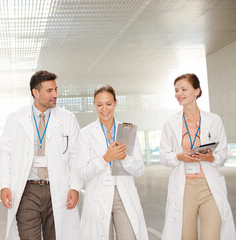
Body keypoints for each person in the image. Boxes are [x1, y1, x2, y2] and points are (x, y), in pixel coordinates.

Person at [0, 70, 82, 240]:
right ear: (35, 93)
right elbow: (5, 154)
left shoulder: (68, 118)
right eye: (49, 91)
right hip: (27, 190)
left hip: (57, 188)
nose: (55, 95)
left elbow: (76, 156)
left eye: (56, 90)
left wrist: (75, 186)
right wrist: (4, 184)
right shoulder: (15, 119)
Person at [160, 73, 236, 240]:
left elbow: (222, 153)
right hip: (185, 187)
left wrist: (211, 158)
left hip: (209, 187)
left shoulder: (214, 120)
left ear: (197, 91)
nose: (179, 93)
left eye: (184, 89)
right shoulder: (170, 122)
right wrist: (179, 157)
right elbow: (164, 156)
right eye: (176, 90)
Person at [77, 84, 148, 240]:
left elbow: (139, 169)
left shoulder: (128, 130)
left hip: (123, 194)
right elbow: (82, 171)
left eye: (109, 104)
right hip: (98, 195)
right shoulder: (85, 134)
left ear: (115, 103)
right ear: (94, 105)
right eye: (100, 104)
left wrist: (124, 158)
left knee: (129, 236)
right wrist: (105, 159)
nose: (104, 109)